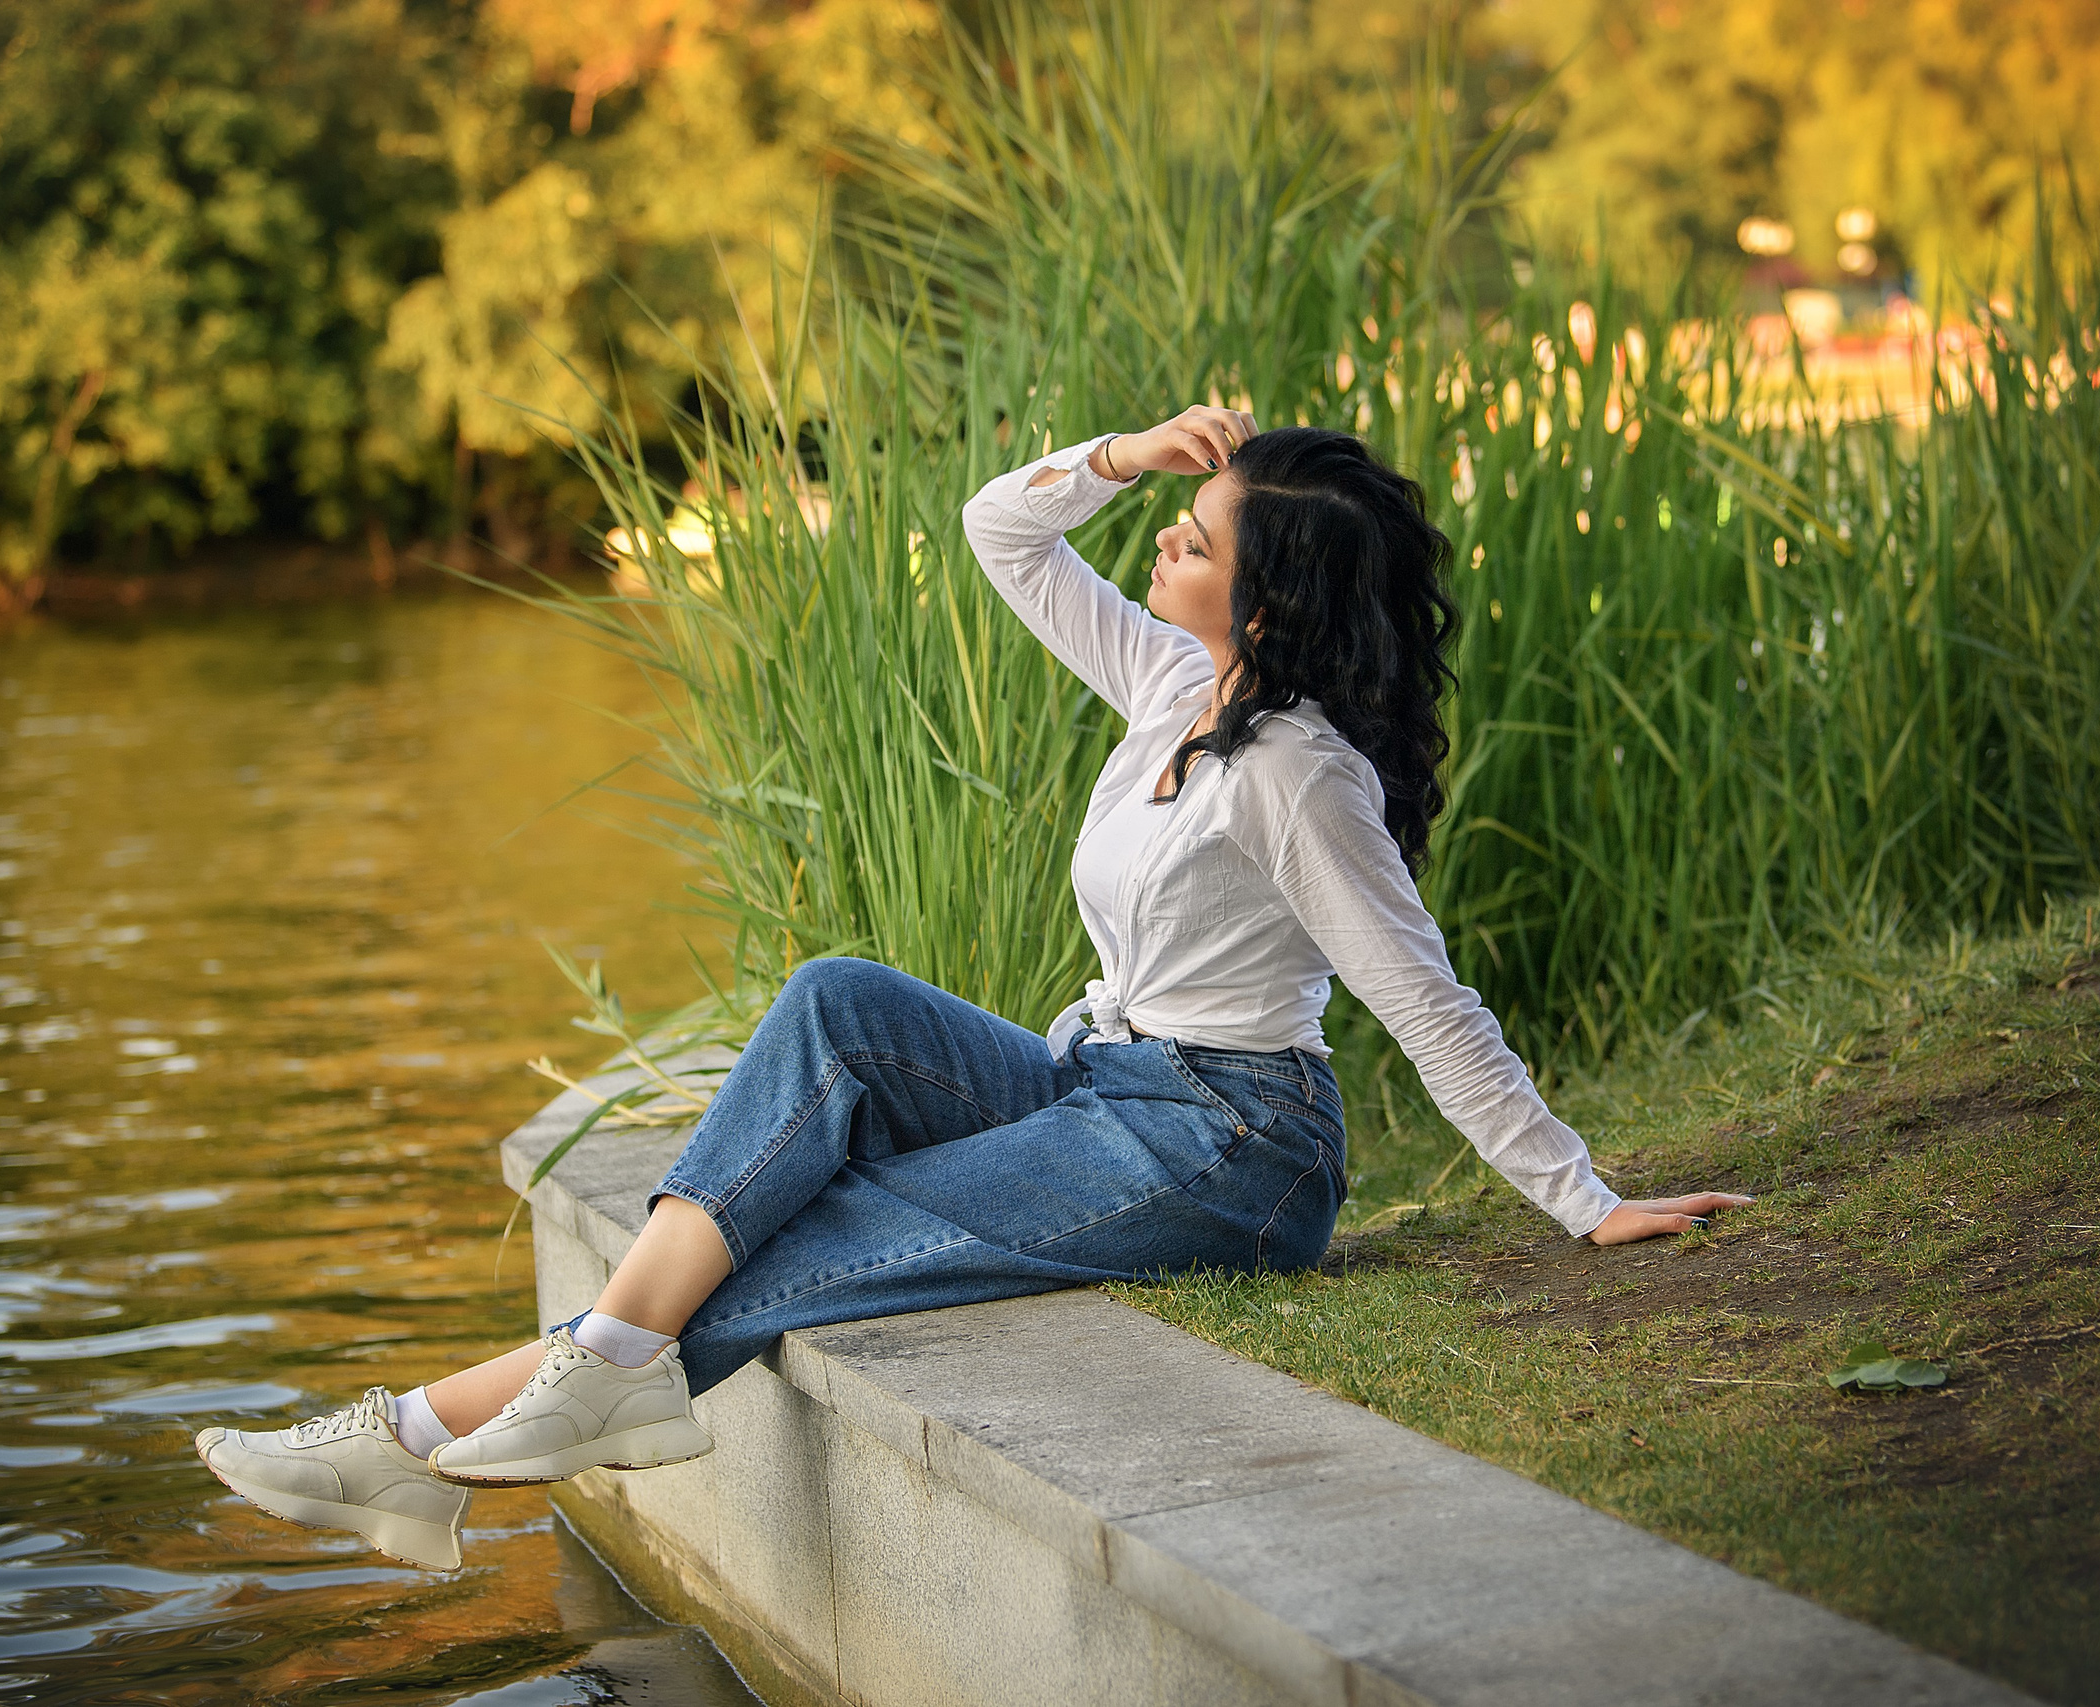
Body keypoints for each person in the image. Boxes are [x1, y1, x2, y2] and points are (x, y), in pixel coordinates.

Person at [194, 405, 1754, 1570]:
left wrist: (1580, 1198)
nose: (1165, 546)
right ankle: (515, 1408)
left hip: (1232, 1150)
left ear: (1265, 601)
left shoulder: (1300, 776)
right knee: (835, 1000)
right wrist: (1128, 456)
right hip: (1108, 1086)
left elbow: (1426, 1000)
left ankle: (420, 1435)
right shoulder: (1169, 682)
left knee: (831, 1228)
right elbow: (1002, 531)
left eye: (1196, 540)